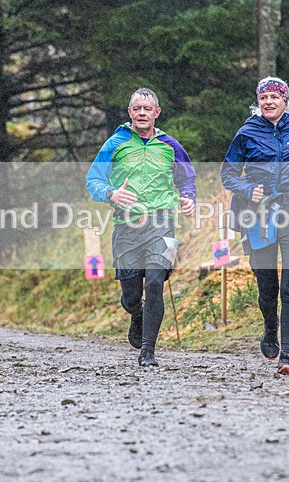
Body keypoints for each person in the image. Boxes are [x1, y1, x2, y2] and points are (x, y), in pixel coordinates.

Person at [221, 77, 289, 375]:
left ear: (285, 100)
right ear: (259, 102)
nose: (269, 102)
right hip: (258, 214)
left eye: (274, 97)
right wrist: (246, 189)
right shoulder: (246, 133)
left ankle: (287, 356)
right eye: (264, 98)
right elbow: (228, 174)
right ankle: (270, 329)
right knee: (267, 288)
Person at [86, 88, 196, 367]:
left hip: (162, 224)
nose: (142, 113)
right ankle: (137, 313)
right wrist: (111, 193)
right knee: (131, 295)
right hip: (127, 226)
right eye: (137, 109)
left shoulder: (170, 144)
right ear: (130, 113)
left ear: (156, 113)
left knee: (156, 284)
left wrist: (188, 198)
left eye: (148, 109)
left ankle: (148, 351)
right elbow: (93, 181)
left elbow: (187, 179)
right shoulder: (115, 143)